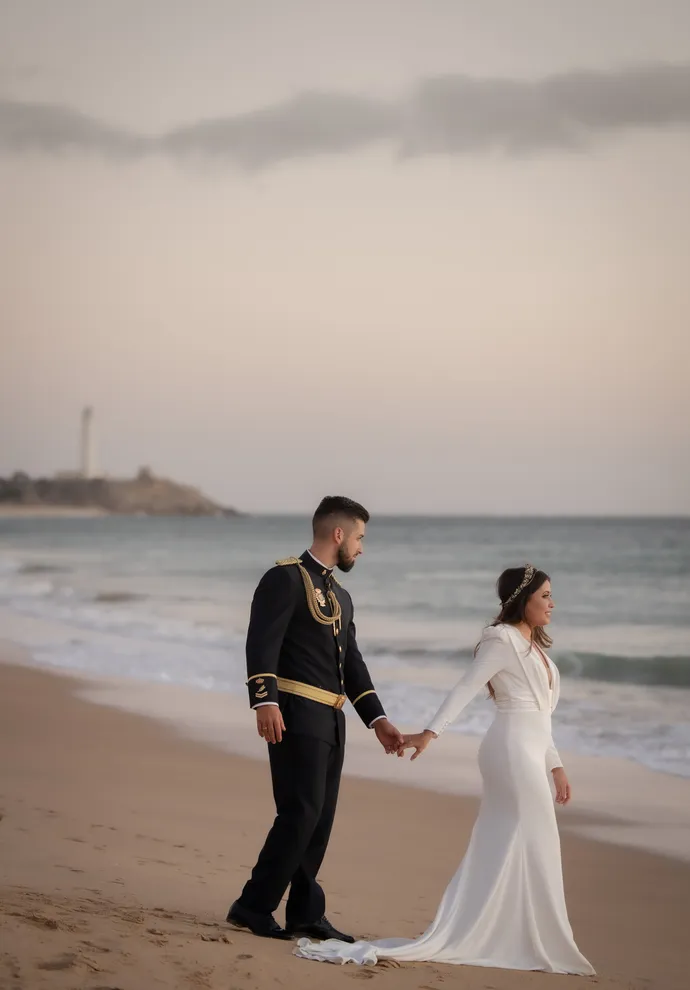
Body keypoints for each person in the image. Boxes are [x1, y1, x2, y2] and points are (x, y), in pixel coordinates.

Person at [295, 565, 595, 976]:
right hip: (509, 751)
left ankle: (521, 934)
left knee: (525, 842)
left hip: (530, 750)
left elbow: (542, 717)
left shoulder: (535, 649)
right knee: (529, 837)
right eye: (545, 595)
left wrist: (556, 766)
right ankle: (513, 936)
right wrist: (430, 733)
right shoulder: (502, 640)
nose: (552, 603)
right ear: (522, 600)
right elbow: (465, 688)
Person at [227, 496, 404, 942]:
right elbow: (261, 643)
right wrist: (263, 701)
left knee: (320, 819)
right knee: (299, 813)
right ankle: (252, 905)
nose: (362, 548)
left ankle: (305, 913)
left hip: (332, 718)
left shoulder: (341, 596)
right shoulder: (284, 579)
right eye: (360, 537)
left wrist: (377, 718)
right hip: (293, 712)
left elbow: (353, 665)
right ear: (338, 534)